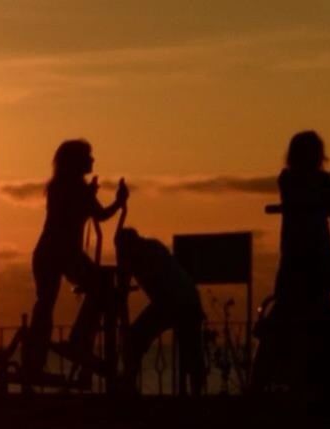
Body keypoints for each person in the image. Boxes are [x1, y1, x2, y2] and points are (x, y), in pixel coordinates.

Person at [24, 139, 128, 376]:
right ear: (76, 161)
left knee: (44, 306)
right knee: (102, 289)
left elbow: (83, 212)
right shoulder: (76, 189)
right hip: (62, 254)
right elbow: (99, 215)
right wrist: (119, 202)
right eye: (88, 156)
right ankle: (77, 342)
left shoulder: (61, 186)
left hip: (50, 253)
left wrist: (92, 196)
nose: (92, 160)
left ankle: (35, 362)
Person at [258, 130, 330, 391]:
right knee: (290, 322)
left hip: (308, 264)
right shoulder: (292, 180)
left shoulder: (304, 181)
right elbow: (316, 190)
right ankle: (271, 381)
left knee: (308, 322)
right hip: (302, 263)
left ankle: (311, 379)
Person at [115, 228, 205, 395]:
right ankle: (130, 383)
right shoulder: (147, 250)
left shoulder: (148, 252)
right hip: (176, 301)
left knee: (190, 350)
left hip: (178, 301)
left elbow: (157, 281)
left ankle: (195, 394)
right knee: (190, 350)